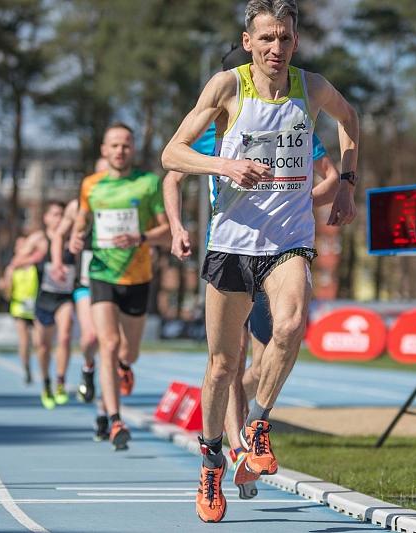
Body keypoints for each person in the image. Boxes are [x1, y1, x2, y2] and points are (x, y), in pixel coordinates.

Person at [161, 0, 358, 522]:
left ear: (296, 41)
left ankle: (258, 427)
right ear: (248, 42)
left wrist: (347, 184)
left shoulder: (311, 87)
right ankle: (210, 461)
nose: (277, 48)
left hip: (288, 240)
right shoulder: (227, 87)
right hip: (232, 243)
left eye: (286, 38)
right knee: (223, 365)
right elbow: (171, 156)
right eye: (267, 38)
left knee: (291, 323)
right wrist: (225, 162)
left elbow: (350, 119)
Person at [70, 122, 170, 451]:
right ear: (104, 150)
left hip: (138, 277)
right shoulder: (91, 185)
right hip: (101, 274)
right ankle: (115, 420)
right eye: (114, 145)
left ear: (133, 149)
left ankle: (125, 368)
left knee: (129, 352)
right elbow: (82, 220)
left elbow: (166, 230)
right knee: (108, 344)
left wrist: (141, 237)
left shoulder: (147, 184)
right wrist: (76, 235)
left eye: (125, 145)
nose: (120, 151)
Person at [51, 157, 112, 440]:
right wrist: (59, 260)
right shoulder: (78, 205)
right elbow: (59, 235)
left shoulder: (125, 200)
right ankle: (88, 368)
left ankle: (104, 415)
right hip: (86, 282)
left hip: (118, 281)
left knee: (113, 350)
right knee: (90, 338)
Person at [12, 200, 75, 409]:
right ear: (46, 218)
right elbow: (16, 263)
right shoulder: (38, 239)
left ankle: (60, 382)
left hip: (65, 297)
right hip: (44, 298)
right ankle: (46, 382)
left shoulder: (72, 236)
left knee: (65, 335)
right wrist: (35, 257)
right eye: (55, 214)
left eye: (62, 214)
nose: (59, 218)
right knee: (43, 346)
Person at [0, 237, 39, 384]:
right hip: (19, 308)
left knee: (38, 341)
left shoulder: (35, 262)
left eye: (25, 244)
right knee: (24, 341)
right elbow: (7, 293)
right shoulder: (11, 268)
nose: (23, 248)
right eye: (20, 245)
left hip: (36, 307)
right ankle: (26, 368)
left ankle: (41, 368)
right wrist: (5, 287)